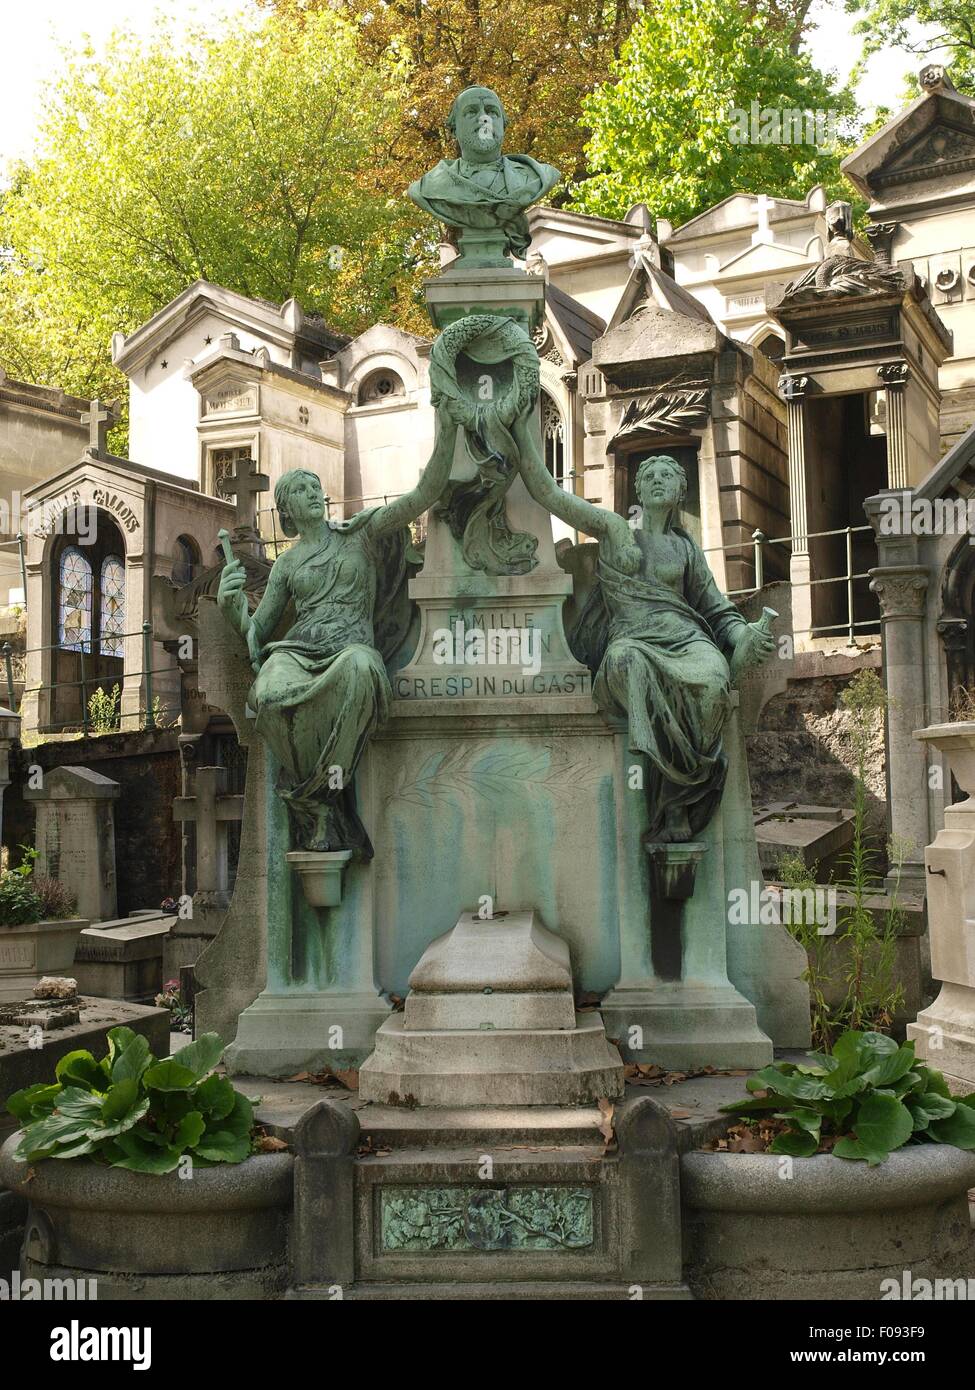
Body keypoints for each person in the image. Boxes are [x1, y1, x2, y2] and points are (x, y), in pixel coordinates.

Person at [216, 410, 462, 853]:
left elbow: (422, 495)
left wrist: (450, 423)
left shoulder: (361, 535)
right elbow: (258, 632)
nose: (313, 494)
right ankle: (317, 802)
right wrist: (232, 608)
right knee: (267, 695)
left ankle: (320, 798)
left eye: (315, 488)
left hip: (351, 646)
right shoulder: (288, 563)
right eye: (299, 492)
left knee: (363, 670)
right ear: (287, 512)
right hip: (298, 651)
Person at [513, 425, 775, 841]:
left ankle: (678, 795)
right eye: (648, 475)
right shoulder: (616, 532)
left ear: (680, 491)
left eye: (666, 475)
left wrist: (744, 636)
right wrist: (520, 433)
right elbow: (550, 494)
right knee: (627, 662)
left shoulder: (685, 548)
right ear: (637, 489)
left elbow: (717, 609)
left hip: (688, 642)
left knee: (712, 684)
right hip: (631, 641)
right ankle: (664, 800)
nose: (656, 479)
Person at [408, 85, 559, 260]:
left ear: (504, 124)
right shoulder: (429, 187)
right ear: (454, 128)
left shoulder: (537, 177)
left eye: (492, 112)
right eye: (471, 112)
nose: (483, 118)